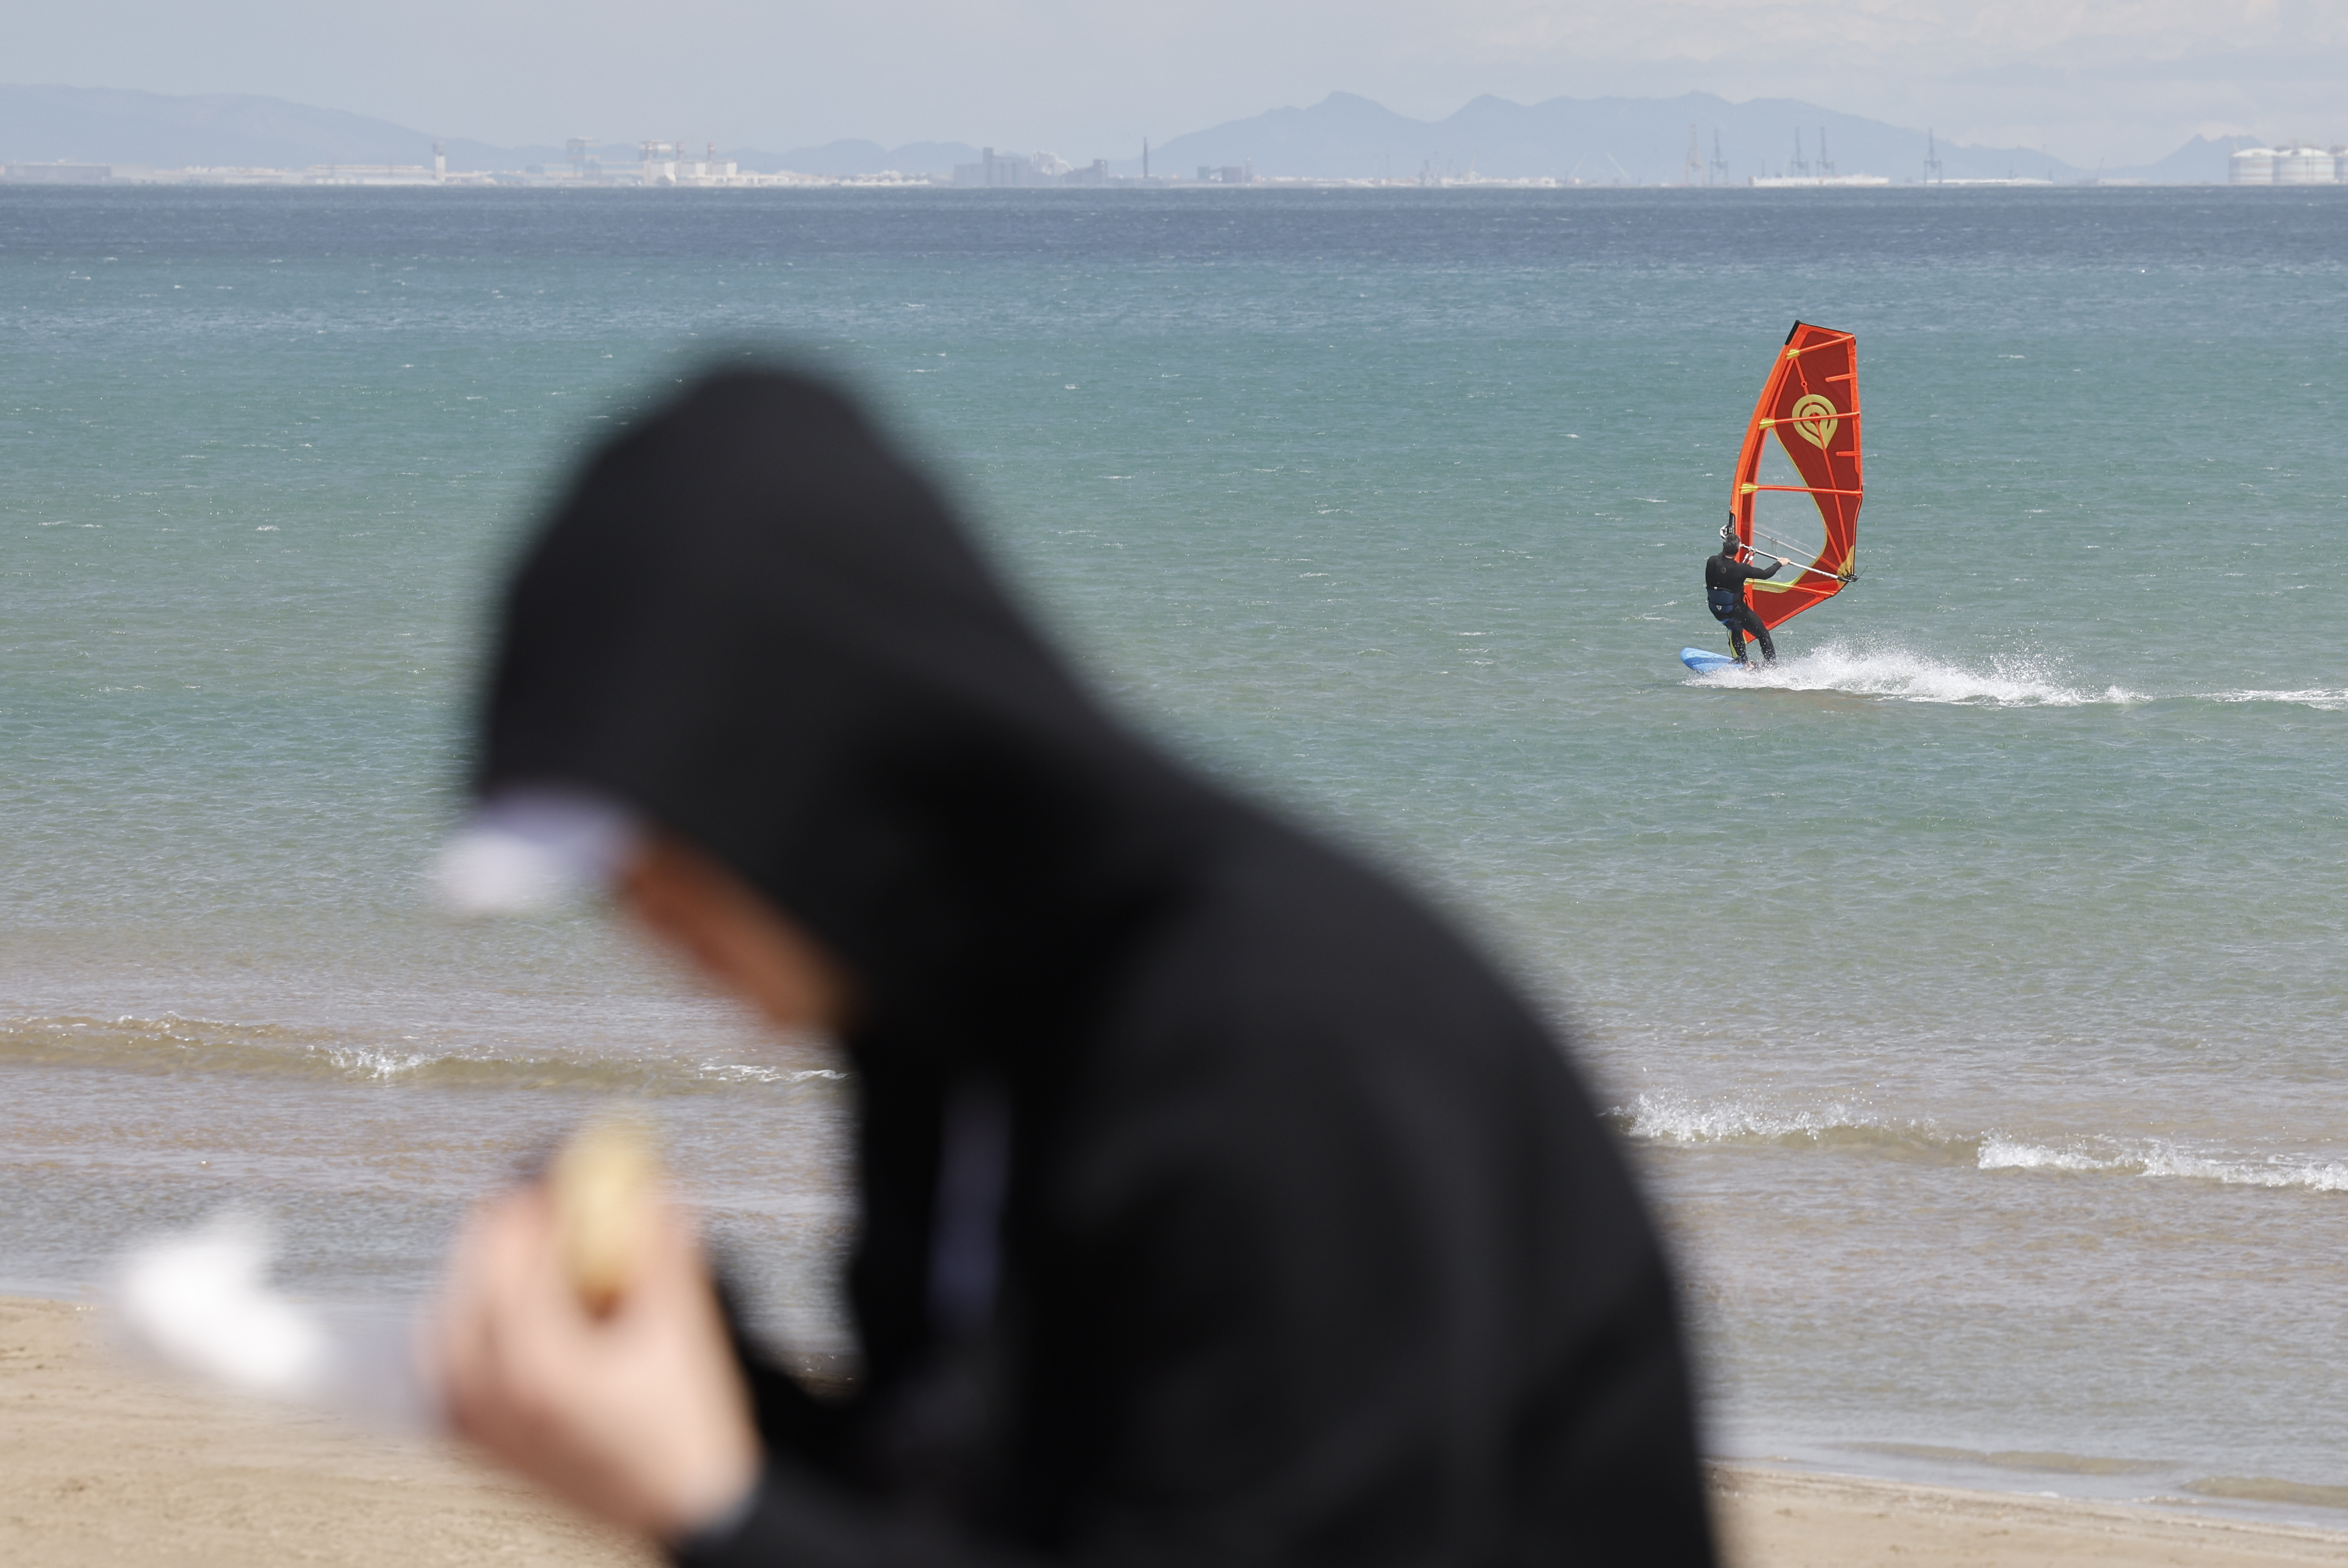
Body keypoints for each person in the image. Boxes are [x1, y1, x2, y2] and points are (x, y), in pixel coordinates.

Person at [431, 369, 1719, 1568]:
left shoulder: (1279, 1037)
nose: (643, 913)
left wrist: (721, 1505)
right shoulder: (955, 1039)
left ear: (811, 765)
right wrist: (713, 1394)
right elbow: (985, 1509)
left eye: (660, 845)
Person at [1704, 523, 1783, 665]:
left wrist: (1729, 540)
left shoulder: (1712, 562)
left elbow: (1721, 558)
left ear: (1724, 547)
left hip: (1717, 610)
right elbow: (1765, 574)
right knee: (1763, 634)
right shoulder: (1741, 569)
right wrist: (1780, 563)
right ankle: (1771, 667)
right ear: (1738, 551)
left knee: (1736, 628)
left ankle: (1742, 660)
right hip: (1735, 610)